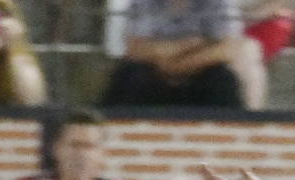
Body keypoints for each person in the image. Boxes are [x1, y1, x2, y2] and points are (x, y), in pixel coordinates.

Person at [101, 0, 244, 109]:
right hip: (154, 73)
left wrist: (179, 64)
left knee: (223, 80)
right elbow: (135, 49)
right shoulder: (143, 2)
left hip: (200, 73)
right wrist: (192, 44)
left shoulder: (217, 3)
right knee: (129, 76)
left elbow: (228, 49)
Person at [17, 108, 135, 180]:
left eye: (89, 146)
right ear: (56, 149)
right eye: (74, 145)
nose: (81, 154)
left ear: (102, 154)